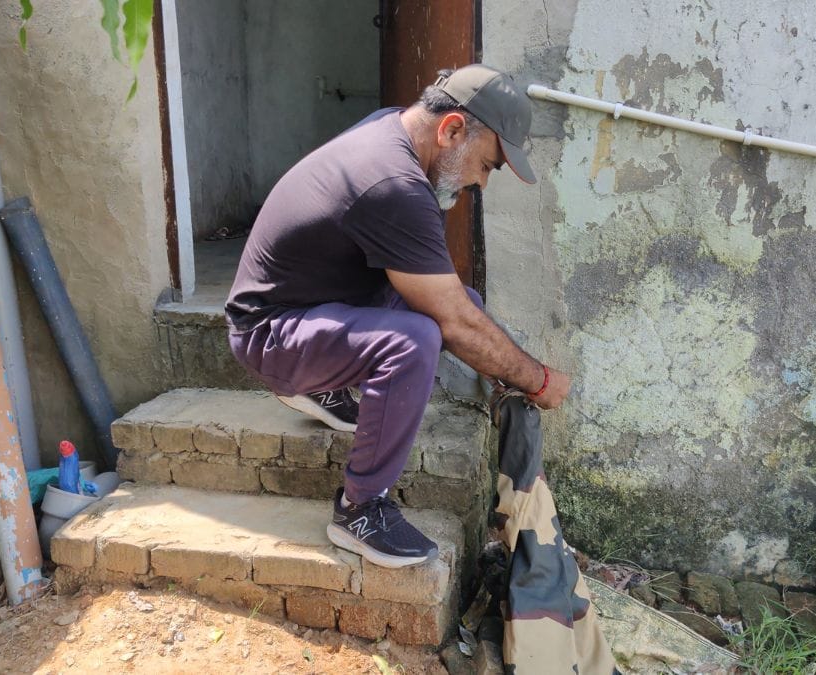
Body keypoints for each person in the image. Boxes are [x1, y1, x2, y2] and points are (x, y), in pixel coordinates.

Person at [225, 64, 571, 569]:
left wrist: (499, 367)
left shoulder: (392, 126)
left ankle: (318, 383)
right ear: (451, 129)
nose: (482, 182)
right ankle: (359, 509)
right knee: (416, 339)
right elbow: (452, 325)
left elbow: (457, 310)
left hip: (312, 303)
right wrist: (537, 380)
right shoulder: (394, 185)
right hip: (269, 331)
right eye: (489, 165)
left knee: (461, 308)